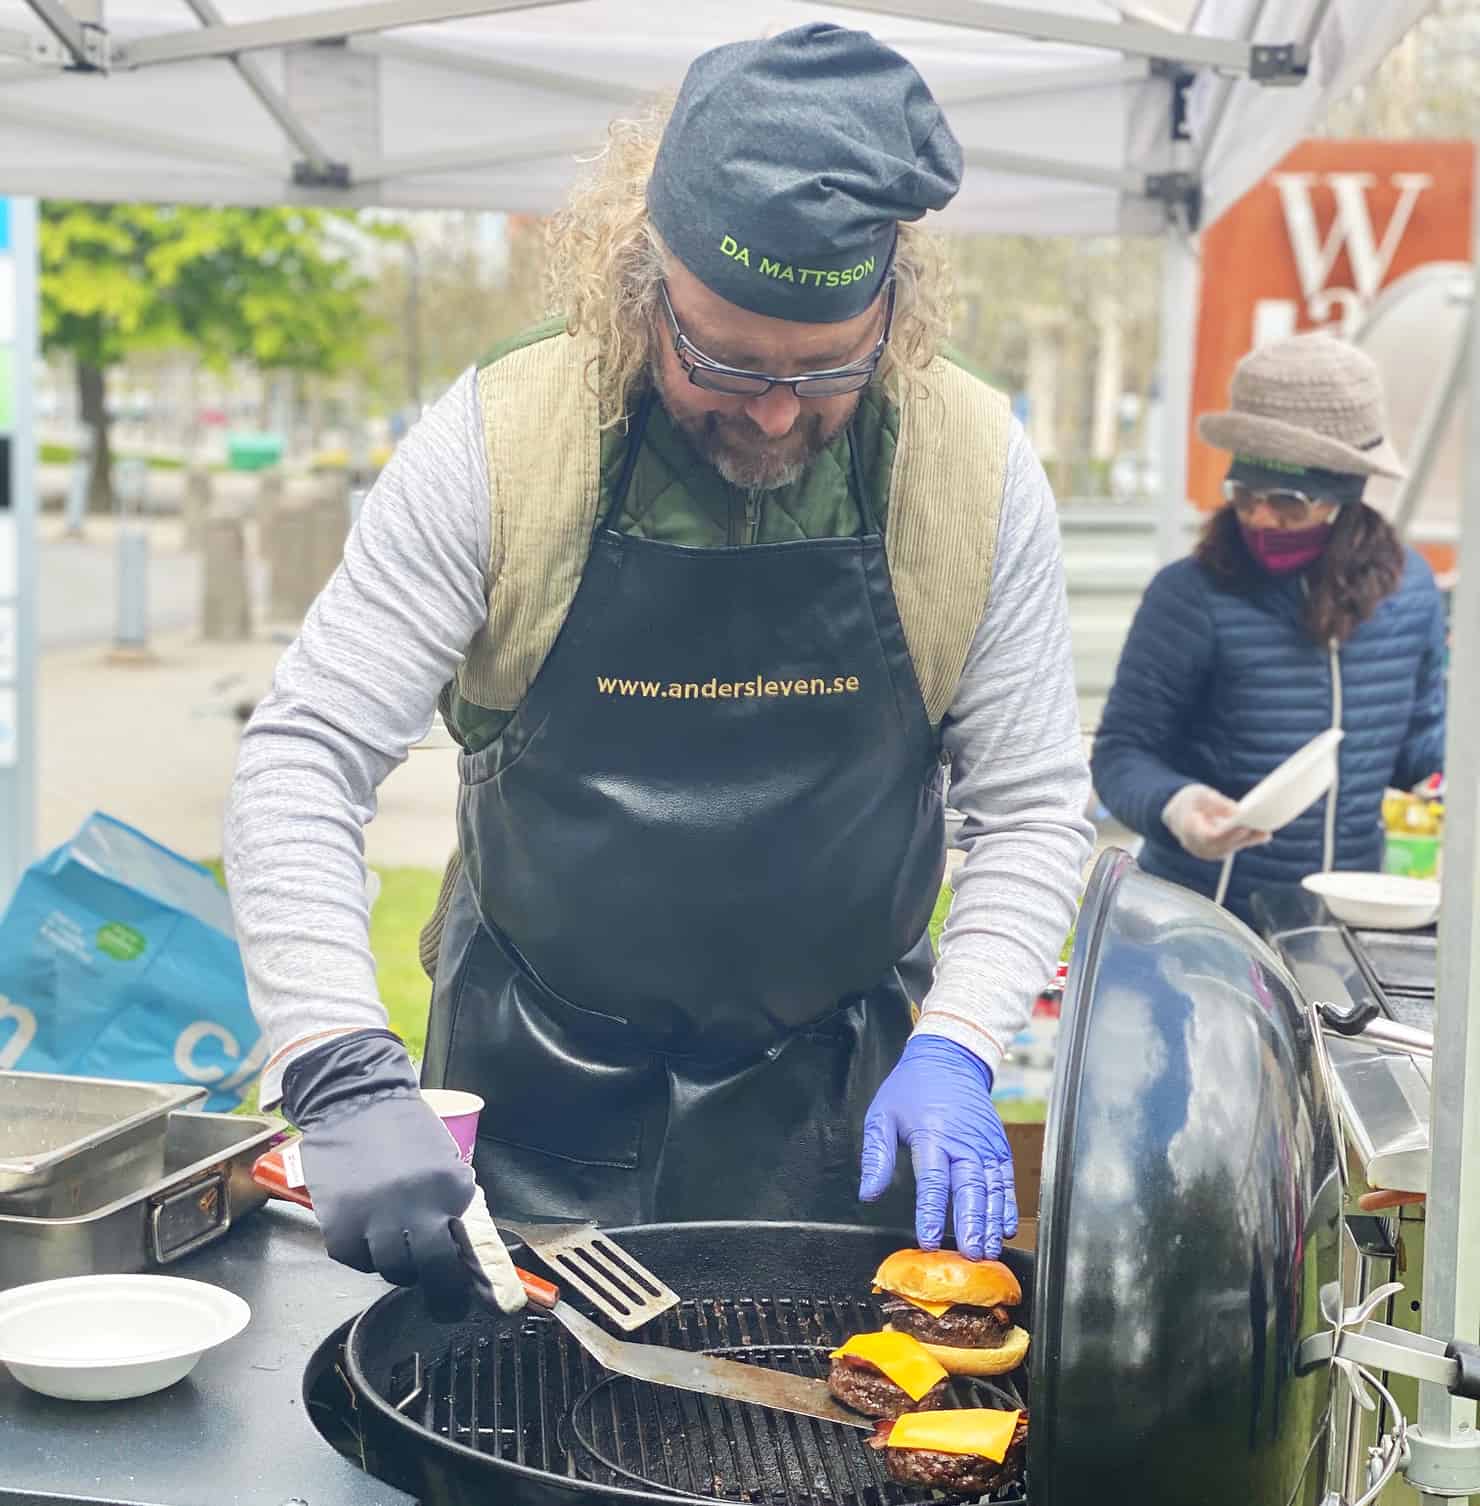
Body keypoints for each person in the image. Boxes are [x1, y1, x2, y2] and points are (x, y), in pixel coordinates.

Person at [224, 23, 1091, 1320]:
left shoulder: (971, 470)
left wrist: (962, 1036)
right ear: (644, 280)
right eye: (727, 361)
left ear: (894, 309)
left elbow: (1031, 803)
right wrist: (339, 1060)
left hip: (831, 1104)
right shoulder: (505, 445)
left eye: (825, 370)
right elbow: (306, 751)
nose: (777, 413)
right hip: (533, 1083)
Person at [1092, 332, 1446, 924]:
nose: (1260, 515)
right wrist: (1177, 807)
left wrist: (1448, 767)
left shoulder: (1410, 594)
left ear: (1345, 495)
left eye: (1289, 500)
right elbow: (1122, 753)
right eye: (1246, 492)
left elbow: (1418, 745)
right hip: (1200, 920)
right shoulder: (1188, 595)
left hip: (1340, 924)